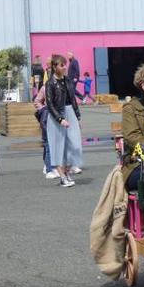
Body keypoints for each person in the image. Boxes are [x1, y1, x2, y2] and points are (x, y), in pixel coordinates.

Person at [45, 54, 83, 188]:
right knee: (58, 148)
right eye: (62, 65)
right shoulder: (50, 83)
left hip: (70, 112)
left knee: (74, 145)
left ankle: (67, 172)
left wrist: (77, 117)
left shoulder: (67, 80)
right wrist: (60, 119)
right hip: (57, 116)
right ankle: (62, 176)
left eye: (65, 64)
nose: (65, 67)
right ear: (55, 67)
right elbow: (49, 105)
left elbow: (73, 100)